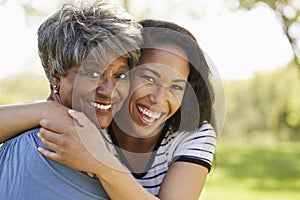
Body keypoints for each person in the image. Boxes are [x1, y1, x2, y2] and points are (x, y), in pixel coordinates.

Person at [0, 19, 217, 199]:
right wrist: (47, 110)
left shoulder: (194, 135)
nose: (158, 98)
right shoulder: (100, 113)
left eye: (176, 86)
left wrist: (102, 164)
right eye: (149, 78)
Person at [0, 0, 142, 199]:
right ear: (55, 75)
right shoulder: (43, 150)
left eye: (120, 75)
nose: (109, 92)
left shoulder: (97, 139)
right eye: (93, 74)